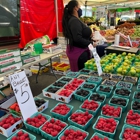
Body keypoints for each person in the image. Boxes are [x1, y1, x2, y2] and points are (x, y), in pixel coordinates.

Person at [62, 0, 97, 72]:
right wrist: (91, 43)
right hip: (79, 53)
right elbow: (77, 38)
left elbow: (80, 34)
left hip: (81, 51)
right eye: (79, 7)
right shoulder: (74, 21)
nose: (81, 9)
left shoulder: (75, 20)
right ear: (75, 8)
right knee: (82, 74)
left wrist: (90, 37)